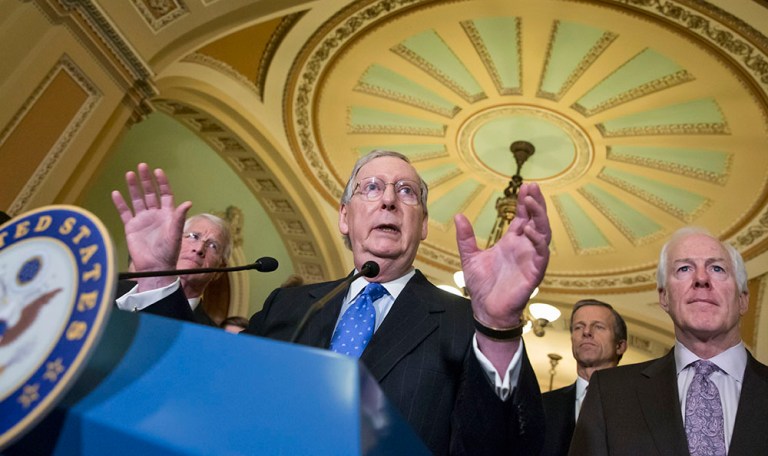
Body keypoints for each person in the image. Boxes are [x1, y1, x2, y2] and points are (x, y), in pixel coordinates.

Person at [112, 151, 552, 455]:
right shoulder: (290, 305)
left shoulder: (465, 322)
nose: (388, 199)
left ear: (422, 227)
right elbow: (203, 389)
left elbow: (508, 448)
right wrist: (157, 277)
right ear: (345, 217)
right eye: (372, 187)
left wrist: (497, 325)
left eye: (406, 193)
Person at [569, 227, 768, 456]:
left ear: (743, 299)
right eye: (684, 268)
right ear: (664, 297)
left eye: (717, 268)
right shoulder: (610, 394)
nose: (701, 279)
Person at [115, 209, 233, 327]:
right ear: (175, 242)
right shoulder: (112, 289)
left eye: (213, 246)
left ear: (219, 270)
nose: (199, 249)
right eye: (194, 236)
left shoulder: (209, 334)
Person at [540, 299, 627, 456]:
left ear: (620, 346)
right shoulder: (542, 406)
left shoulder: (640, 406)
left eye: (598, 327)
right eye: (578, 327)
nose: (586, 332)